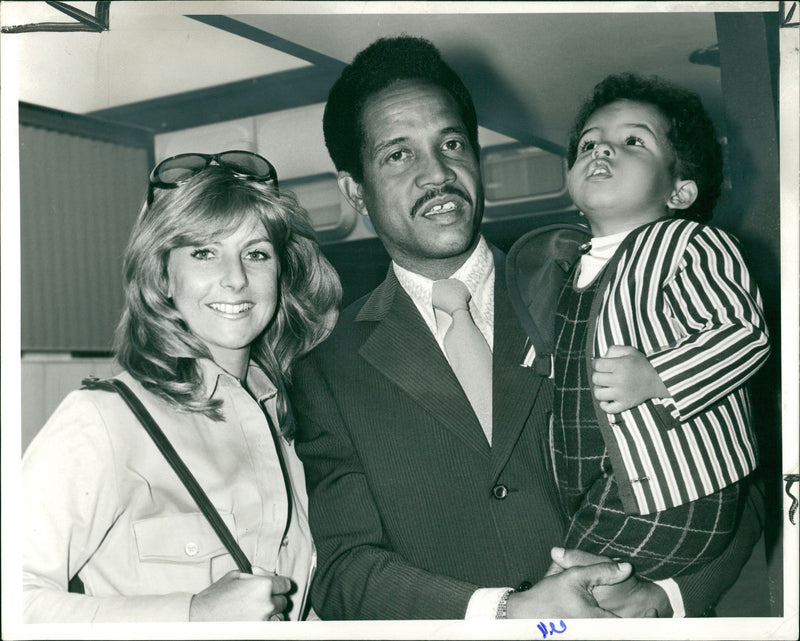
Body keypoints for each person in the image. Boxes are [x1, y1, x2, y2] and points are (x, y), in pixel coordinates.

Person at [289, 36, 764, 620]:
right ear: (354, 190)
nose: (437, 173)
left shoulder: (594, 288)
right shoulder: (325, 368)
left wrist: (662, 598)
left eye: (452, 143)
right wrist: (507, 613)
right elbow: (345, 572)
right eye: (398, 155)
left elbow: (729, 469)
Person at [22, 151, 341, 622]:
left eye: (256, 254)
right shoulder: (102, 420)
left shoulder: (293, 422)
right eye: (204, 252)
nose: (235, 279)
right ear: (163, 276)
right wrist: (191, 614)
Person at [540, 73, 769, 580]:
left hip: (676, 486)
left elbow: (742, 332)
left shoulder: (689, 243)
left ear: (681, 190)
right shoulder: (570, 264)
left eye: (632, 141)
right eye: (589, 143)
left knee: (563, 594)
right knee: (583, 600)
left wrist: (658, 376)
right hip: (600, 482)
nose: (602, 150)